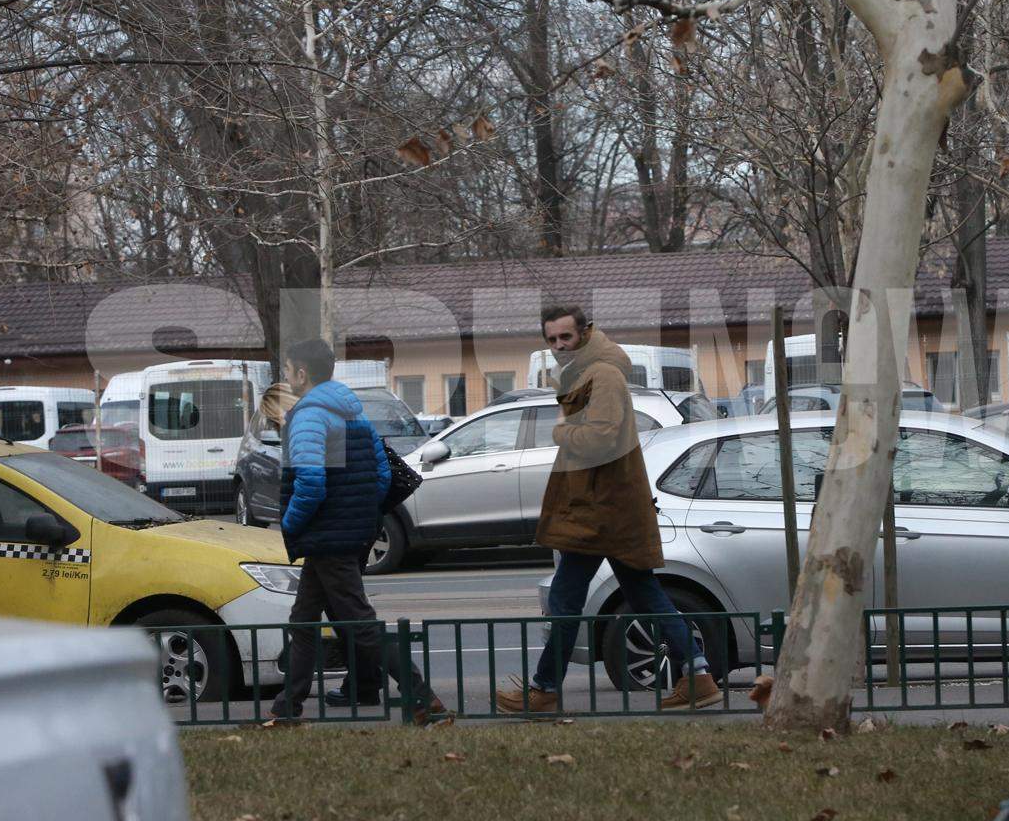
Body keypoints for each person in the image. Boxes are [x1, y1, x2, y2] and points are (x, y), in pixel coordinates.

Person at [495, 306, 721, 713]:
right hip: (604, 509)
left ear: (585, 333)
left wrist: (561, 429)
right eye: (551, 340)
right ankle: (698, 675)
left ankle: (544, 690)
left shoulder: (604, 375)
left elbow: (600, 439)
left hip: (598, 512)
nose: (558, 346)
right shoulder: (590, 373)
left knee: (567, 601)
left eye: (565, 337)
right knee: (646, 594)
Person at [268, 338, 446, 725]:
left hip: (326, 537)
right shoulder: (354, 413)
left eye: (287, 369)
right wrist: (354, 514)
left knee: (361, 625)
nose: (286, 376)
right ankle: (287, 708)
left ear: (301, 373)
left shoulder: (310, 417)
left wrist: (290, 522)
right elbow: (383, 476)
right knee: (303, 621)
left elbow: (311, 483)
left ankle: (422, 696)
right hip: (344, 535)